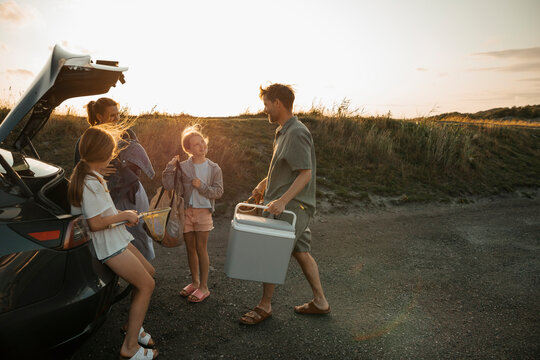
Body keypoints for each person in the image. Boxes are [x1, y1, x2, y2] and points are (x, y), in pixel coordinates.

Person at [239, 83, 330, 325]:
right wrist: (263, 184)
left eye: (266, 104)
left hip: (292, 207)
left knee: (272, 252)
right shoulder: (283, 132)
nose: (265, 109)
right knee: (301, 252)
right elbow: (285, 169)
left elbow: (305, 173)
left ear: (278, 102)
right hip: (285, 205)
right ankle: (320, 302)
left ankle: (265, 306)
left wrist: (281, 201)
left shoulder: (297, 132)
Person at [68, 126, 157, 360]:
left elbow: (104, 211)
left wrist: (122, 215)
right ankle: (130, 347)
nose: (114, 154)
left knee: (149, 272)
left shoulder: (92, 176)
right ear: (104, 153)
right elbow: (96, 223)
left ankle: (133, 326)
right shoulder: (89, 182)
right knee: (147, 285)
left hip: (116, 238)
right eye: (112, 150)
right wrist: (124, 216)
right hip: (109, 246)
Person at [74, 97, 156, 261]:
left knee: (141, 230)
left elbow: (137, 163)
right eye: (112, 115)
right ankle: (124, 273)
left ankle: (145, 267)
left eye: (118, 114)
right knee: (119, 233)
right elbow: (80, 169)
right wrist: (97, 168)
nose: (117, 119)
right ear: (99, 116)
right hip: (109, 196)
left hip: (133, 191)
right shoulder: (88, 139)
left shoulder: (127, 134)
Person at [162, 125, 224, 303]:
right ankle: (195, 282)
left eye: (202, 142)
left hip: (204, 213)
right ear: (188, 149)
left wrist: (202, 186)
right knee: (190, 249)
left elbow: (218, 192)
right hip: (186, 212)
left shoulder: (214, 168)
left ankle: (204, 287)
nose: (201, 146)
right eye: (196, 144)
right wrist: (169, 167)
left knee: (201, 249)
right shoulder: (182, 167)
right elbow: (168, 185)